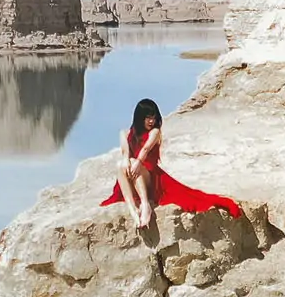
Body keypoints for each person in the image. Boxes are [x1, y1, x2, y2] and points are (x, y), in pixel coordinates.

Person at [102, 97, 244, 229]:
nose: (151, 121)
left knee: (133, 163)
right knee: (121, 164)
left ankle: (145, 205)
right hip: (133, 175)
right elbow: (125, 152)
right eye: (148, 118)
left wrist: (138, 161)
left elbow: (145, 149)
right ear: (140, 118)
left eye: (153, 117)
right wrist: (128, 161)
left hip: (151, 177)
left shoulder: (155, 132)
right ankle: (133, 210)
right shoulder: (124, 133)